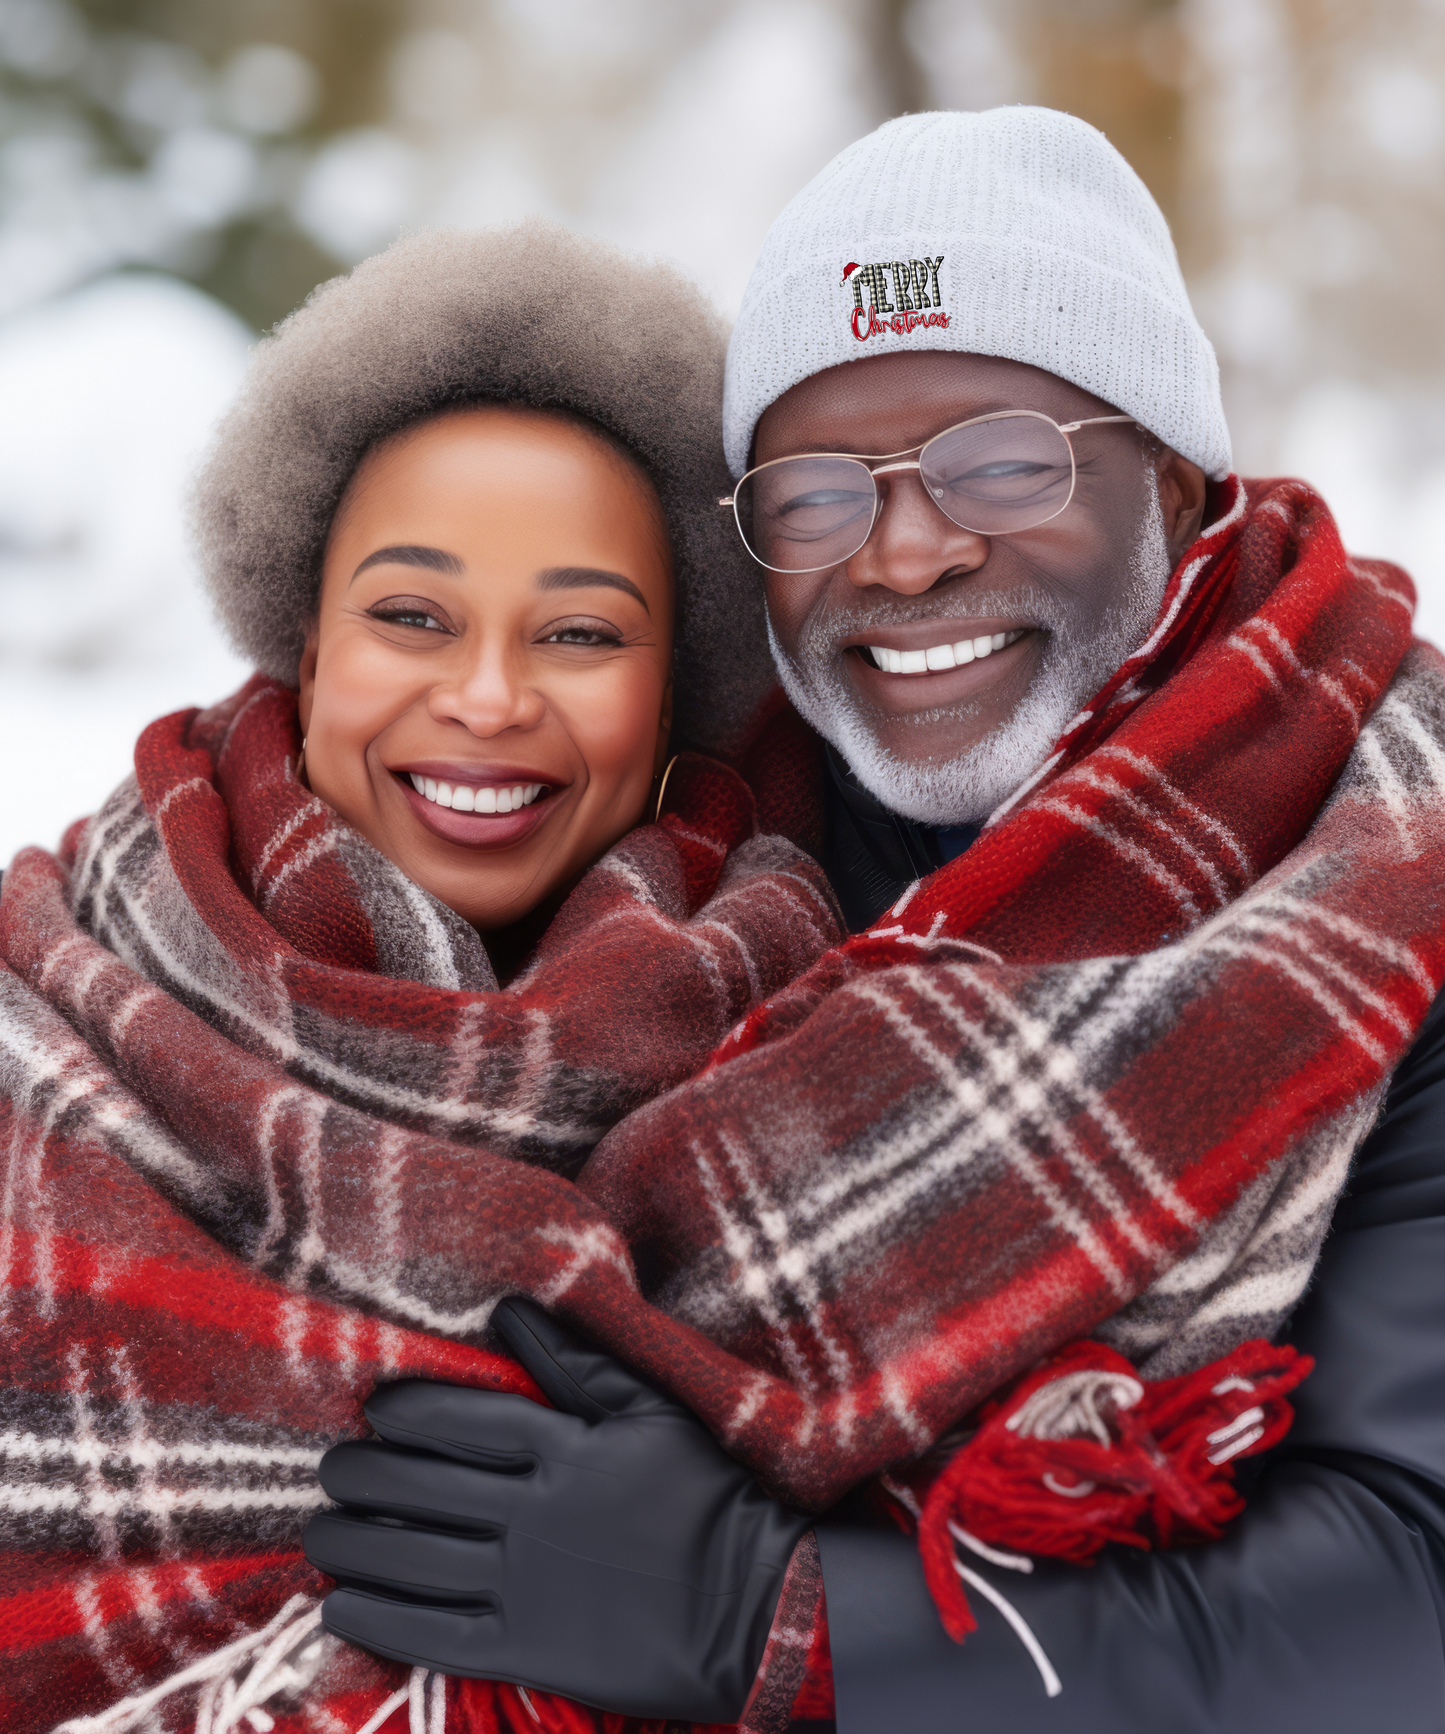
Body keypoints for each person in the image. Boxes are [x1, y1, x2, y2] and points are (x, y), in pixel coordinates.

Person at [313, 112, 1445, 1734]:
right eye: (818, 494)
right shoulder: (660, 831)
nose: (906, 554)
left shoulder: (1393, 871)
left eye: (1002, 463)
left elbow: (1409, 1601)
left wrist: (767, 1612)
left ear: (1179, 477)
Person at [0, 223, 840, 1733]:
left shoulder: (841, 1043)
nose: (489, 696)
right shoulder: (43, 1013)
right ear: (305, 646)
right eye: (410, 614)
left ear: (678, 693)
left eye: (580, 632)